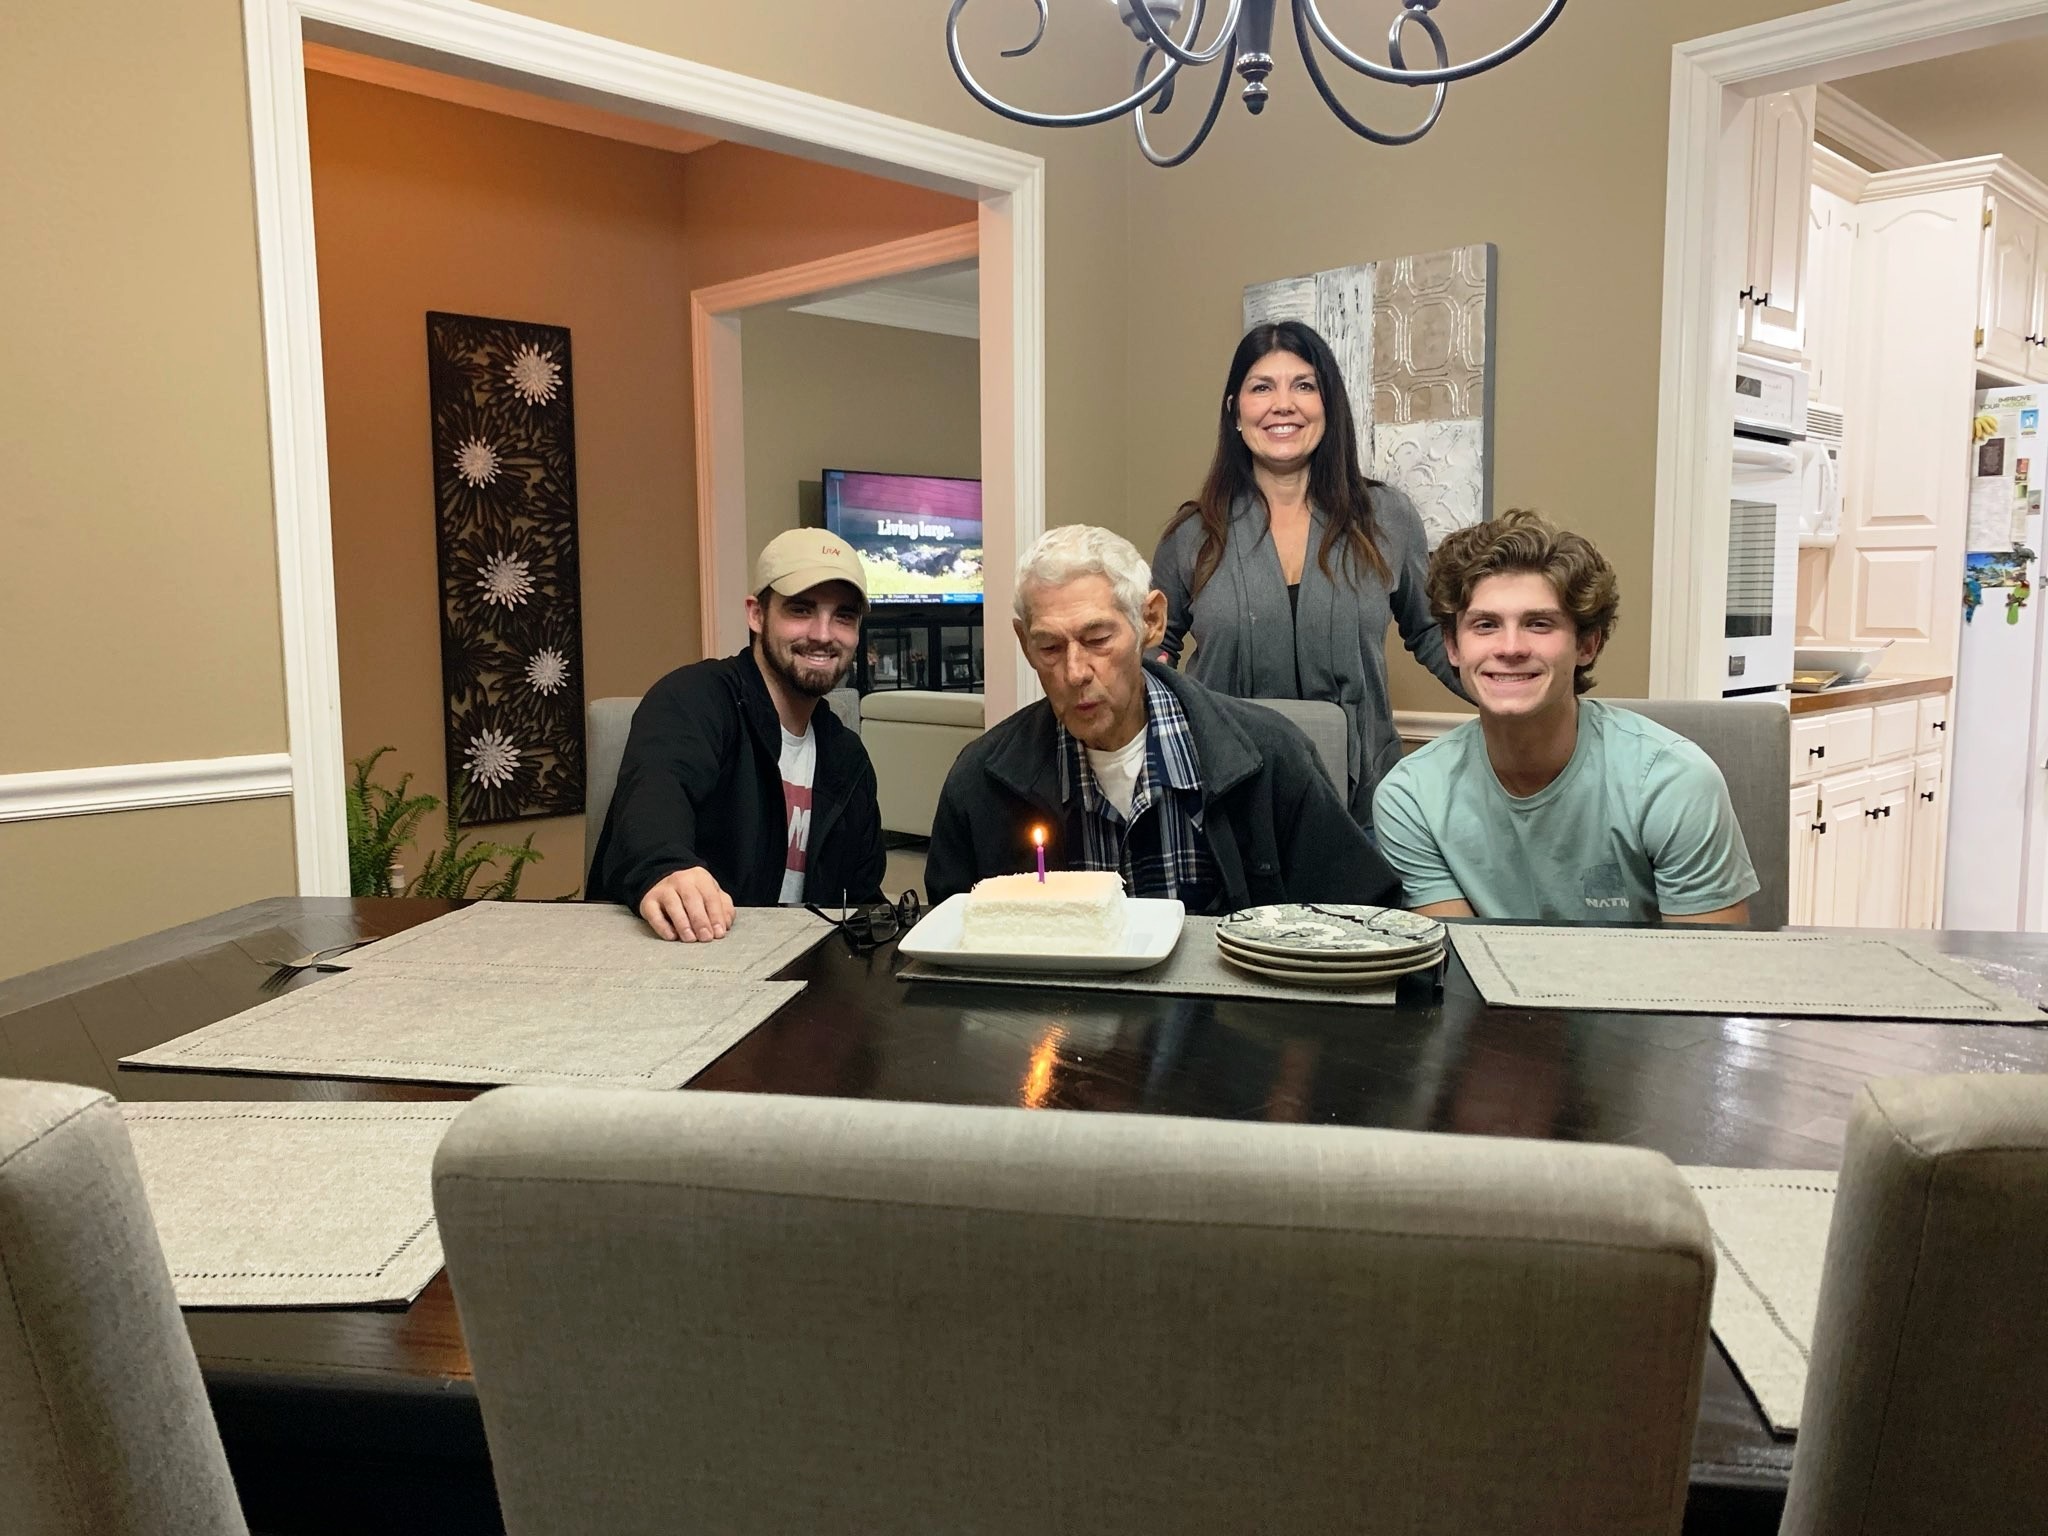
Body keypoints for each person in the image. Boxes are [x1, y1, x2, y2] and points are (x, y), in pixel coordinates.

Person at [925, 524, 1400, 912]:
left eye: (1098, 639)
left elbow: (1365, 919)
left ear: (1150, 621)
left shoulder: (1271, 758)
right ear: (1024, 643)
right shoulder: (981, 783)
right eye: (1049, 647)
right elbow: (950, 955)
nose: (1075, 672)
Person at [1371, 510, 1758, 925]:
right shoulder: (1411, 797)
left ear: (1587, 645)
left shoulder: (1672, 782)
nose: (1510, 647)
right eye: (1485, 625)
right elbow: (1460, 956)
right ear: (1453, 646)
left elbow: (1706, 960)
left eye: (1539, 624)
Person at [1152, 320, 1463, 832]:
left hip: (1362, 804)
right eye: (1261, 387)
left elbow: (1433, 631)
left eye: (1304, 385)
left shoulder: (1387, 518)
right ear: (1234, 411)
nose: (1283, 404)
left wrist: (1511, 691)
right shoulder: (1193, 534)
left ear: (1329, 405)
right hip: (1225, 801)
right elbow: (1154, 649)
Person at [588, 529, 886, 941]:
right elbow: (653, 804)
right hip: (682, 955)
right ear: (756, 614)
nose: (823, 634)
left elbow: (864, 904)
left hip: (803, 967)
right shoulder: (692, 700)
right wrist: (666, 868)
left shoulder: (848, 758)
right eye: (800, 610)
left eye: (844, 616)